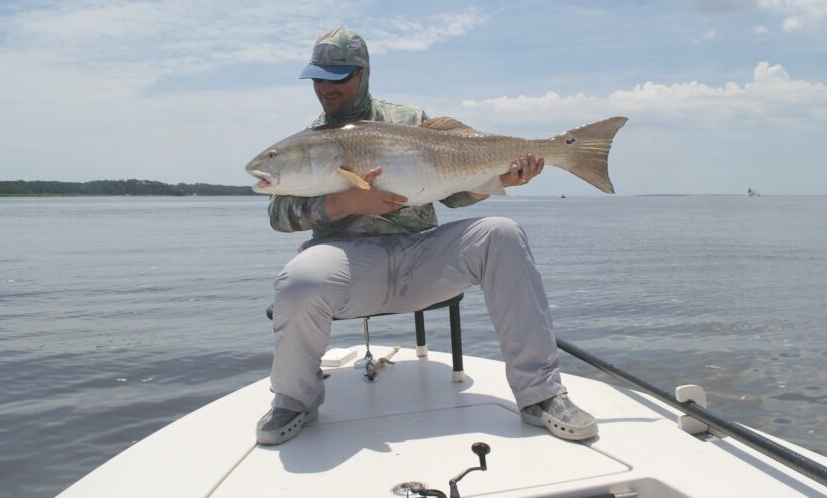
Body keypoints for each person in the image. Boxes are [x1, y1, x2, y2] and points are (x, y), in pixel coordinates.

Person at [256, 25, 598, 445]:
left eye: (338, 76)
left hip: (423, 257)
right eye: (318, 78)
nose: (326, 88)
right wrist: (348, 202)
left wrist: (499, 178)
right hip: (348, 266)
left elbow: (452, 195)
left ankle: (542, 395)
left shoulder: (410, 121)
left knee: (502, 233)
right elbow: (279, 214)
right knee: (298, 280)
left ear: (362, 73)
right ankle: (293, 400)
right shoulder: (309, 141)